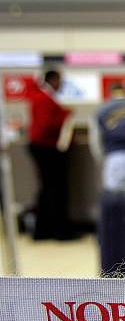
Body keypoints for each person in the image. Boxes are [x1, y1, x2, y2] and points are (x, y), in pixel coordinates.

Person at [27, 69, 72, 240]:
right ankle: (58, 231)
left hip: (41, 147)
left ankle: (44, 230)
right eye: (60, 81)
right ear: (52, 80)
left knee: (47, 189)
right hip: (47, 148)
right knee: (53, 189)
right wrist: (65, 115)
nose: (61, 84)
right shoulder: (44, 98)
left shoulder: (41, 96)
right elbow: (46, 125)